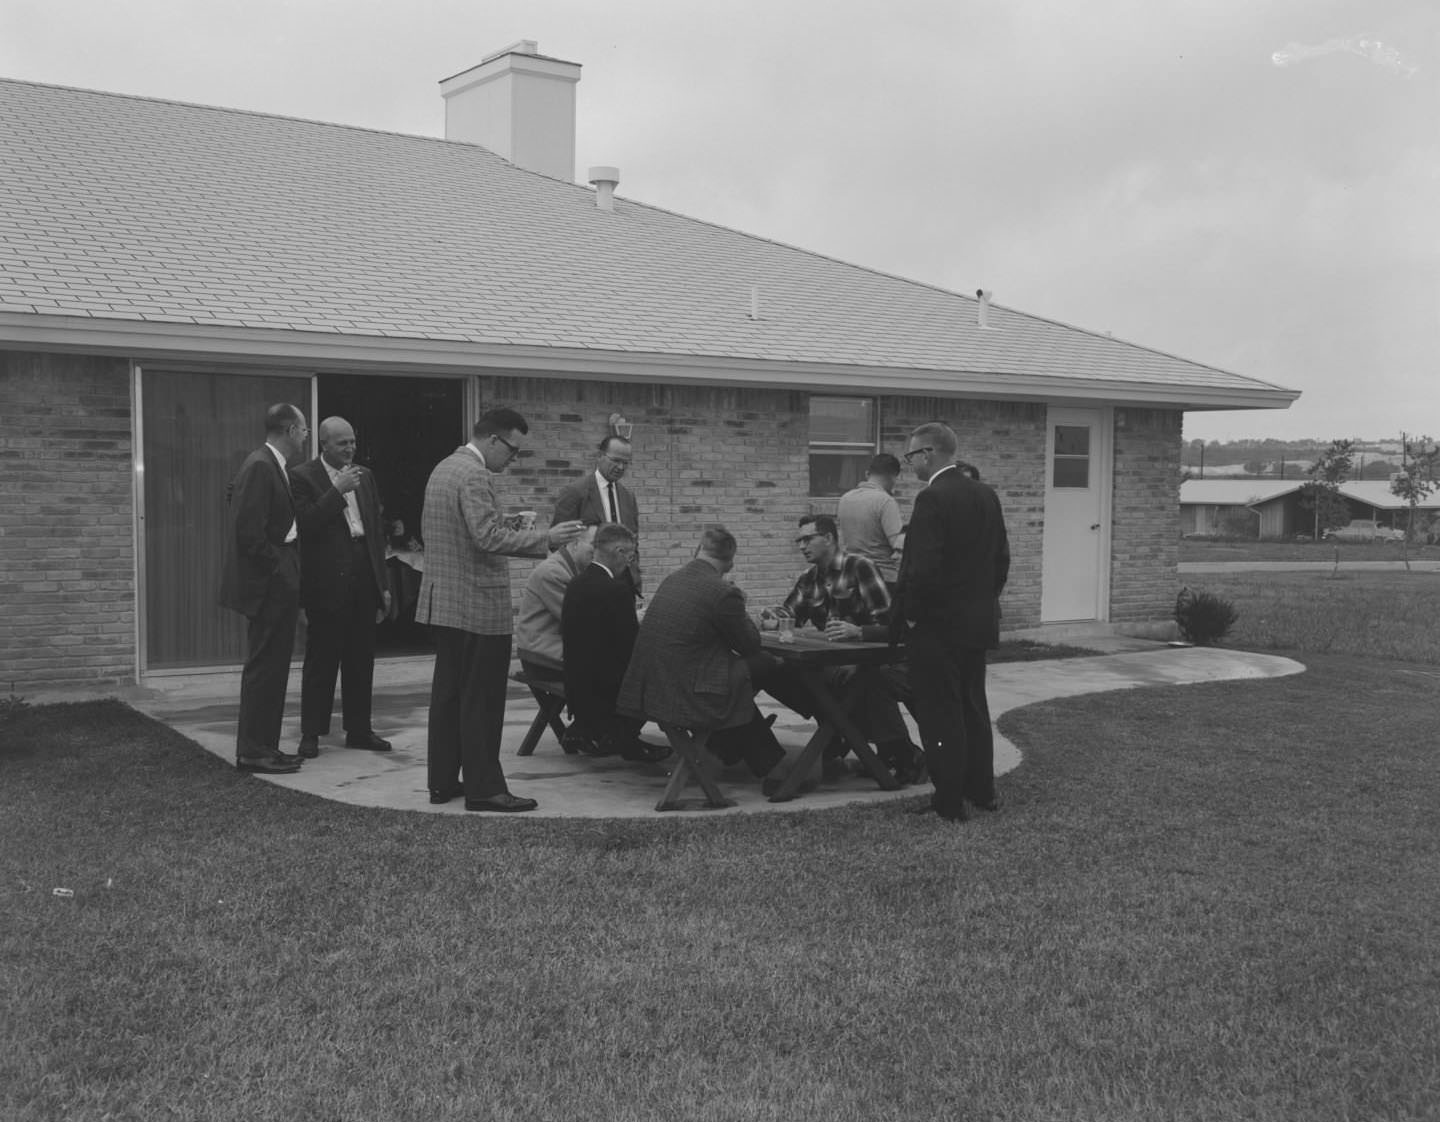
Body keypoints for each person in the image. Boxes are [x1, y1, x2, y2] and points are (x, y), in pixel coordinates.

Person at [417, 408, 585, 812]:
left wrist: (508, 521)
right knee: (482, 700)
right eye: (512, 449)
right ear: (492, 440)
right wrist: (547, 537)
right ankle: (485, 789)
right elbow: (485, 538)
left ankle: (442, 781)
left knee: (449, 697)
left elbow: (465, 529)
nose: (513, 458)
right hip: (476, 603)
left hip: (446, 602)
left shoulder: (444, 468)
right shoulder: (476, 474)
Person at [617, 526, 813, 796]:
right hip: (685, 694)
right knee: (764, 665)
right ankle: (818, 719)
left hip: (649, 690)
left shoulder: (672, 579)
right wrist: (741, 608)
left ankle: (741, 751)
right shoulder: (722, 592)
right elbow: (749, 645)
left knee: (741, 681)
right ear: (730, 561)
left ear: (699, 551)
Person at [893, 422, 1010, 821]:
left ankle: (949, 800)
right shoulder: (986, 495)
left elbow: (921, 571)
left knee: (941, 713)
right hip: (976, 623)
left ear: (928, 453)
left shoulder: (932, 499)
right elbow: (1001, 562)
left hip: (936, 627)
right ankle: (983, 790)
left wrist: (910, 616)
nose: (910, 465)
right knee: (973, 707)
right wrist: (980, 602)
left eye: (911, 456)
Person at [778, 513, 924, 783]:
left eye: (808, 539)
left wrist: (860, 632)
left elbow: (892, 626)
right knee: (783, 672)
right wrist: (772, 617)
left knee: (861, 680)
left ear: (830, 538)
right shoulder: (809, 579)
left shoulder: (860, 567)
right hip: (833, 661)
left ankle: (902, 755)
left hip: (877, 660)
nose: (801, 546)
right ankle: (839, 734)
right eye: (799, 540)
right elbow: (788, 614)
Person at [289, 416, 392, 758]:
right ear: (323, 444)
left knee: (361, 658)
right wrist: (337, 491)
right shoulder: (303, 477)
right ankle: (312, 733)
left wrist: (383, 584)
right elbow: (306, 525)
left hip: (363, 570)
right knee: (322, 659)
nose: (349, 449)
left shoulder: (366, 476)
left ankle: (359, 730)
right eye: (341, 443)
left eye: (352, 442)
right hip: (327, 580)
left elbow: (376, 532)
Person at [218, 403, 310, 774]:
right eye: (303, 430)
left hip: (278, 585)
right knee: (264, 668)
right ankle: (253, 751)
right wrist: (280, 570)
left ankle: (267, 746)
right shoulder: (260, 465)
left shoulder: (269, 465)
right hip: (269, 587)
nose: (305, 437)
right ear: (289, 430)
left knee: (275, 669)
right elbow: (248, 532)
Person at [561, 524, 670, 763]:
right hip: (606, 691)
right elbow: (630, 647)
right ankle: (626, 739)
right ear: (620, 551)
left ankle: (603, 734)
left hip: (578, 684)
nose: (629, 562)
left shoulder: (576, 583)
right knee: (662, 678)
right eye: (630, 556)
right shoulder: (616, 590)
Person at [553, 435, 642, 594]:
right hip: (589, 584)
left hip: (624, 584)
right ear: (599, 456)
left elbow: (634, 542)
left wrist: (635, 579)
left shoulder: (628, 496)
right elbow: (559, 544)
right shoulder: (575, 492)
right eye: (615, 460)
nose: (621, 467)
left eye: (625, 463)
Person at [836, 453, 905, 586]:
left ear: (868, 474)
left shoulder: (845, 499)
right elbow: (897, 545)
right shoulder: (885, 501)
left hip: (851, 575)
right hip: (882, 576)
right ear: (892, 476)